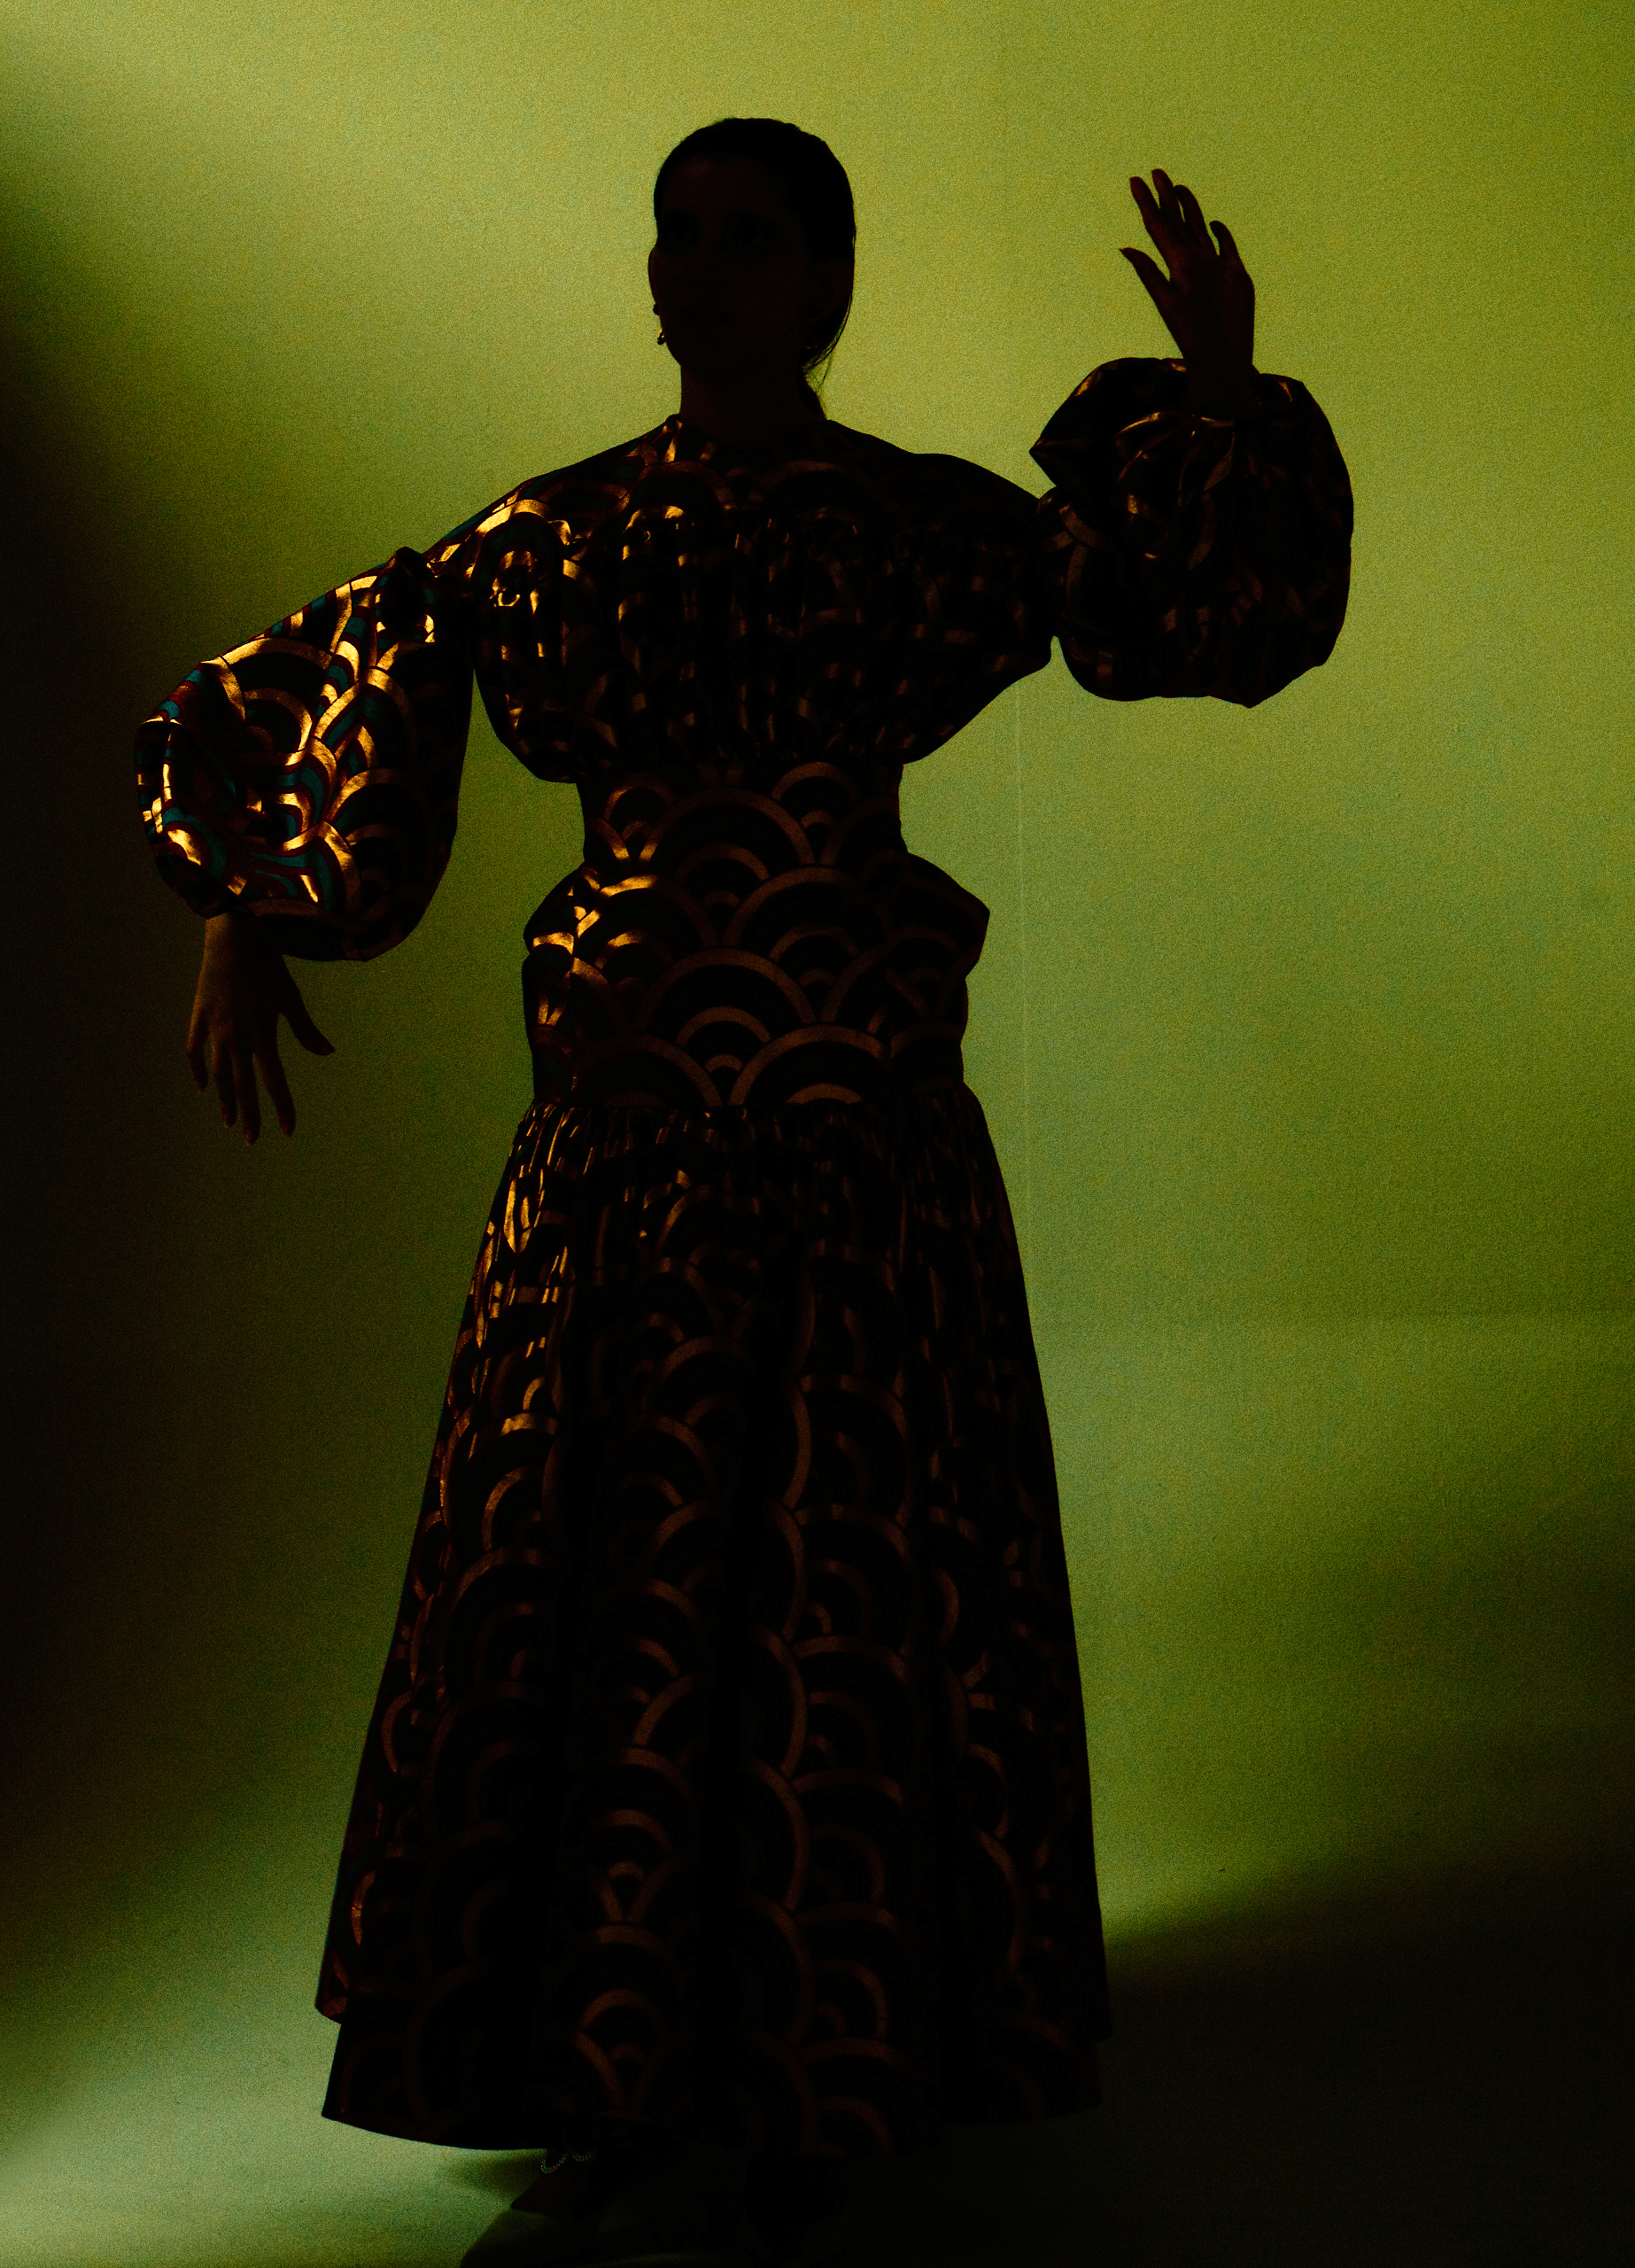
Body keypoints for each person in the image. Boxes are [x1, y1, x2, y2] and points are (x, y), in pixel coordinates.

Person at [137, 118, 1352, 2266]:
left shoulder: (918, 533)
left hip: (853, 1154)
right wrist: (246, 898)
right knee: (598, 1595)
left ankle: (815, 2077)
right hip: (623, 1153)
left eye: (744, 236)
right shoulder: (554, 540)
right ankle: (611, 2076)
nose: (691, 267)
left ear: (824, 280)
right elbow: (374, 665)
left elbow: (1167, 608)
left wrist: (1226, 395)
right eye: (674, 233)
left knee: (832, 1601)